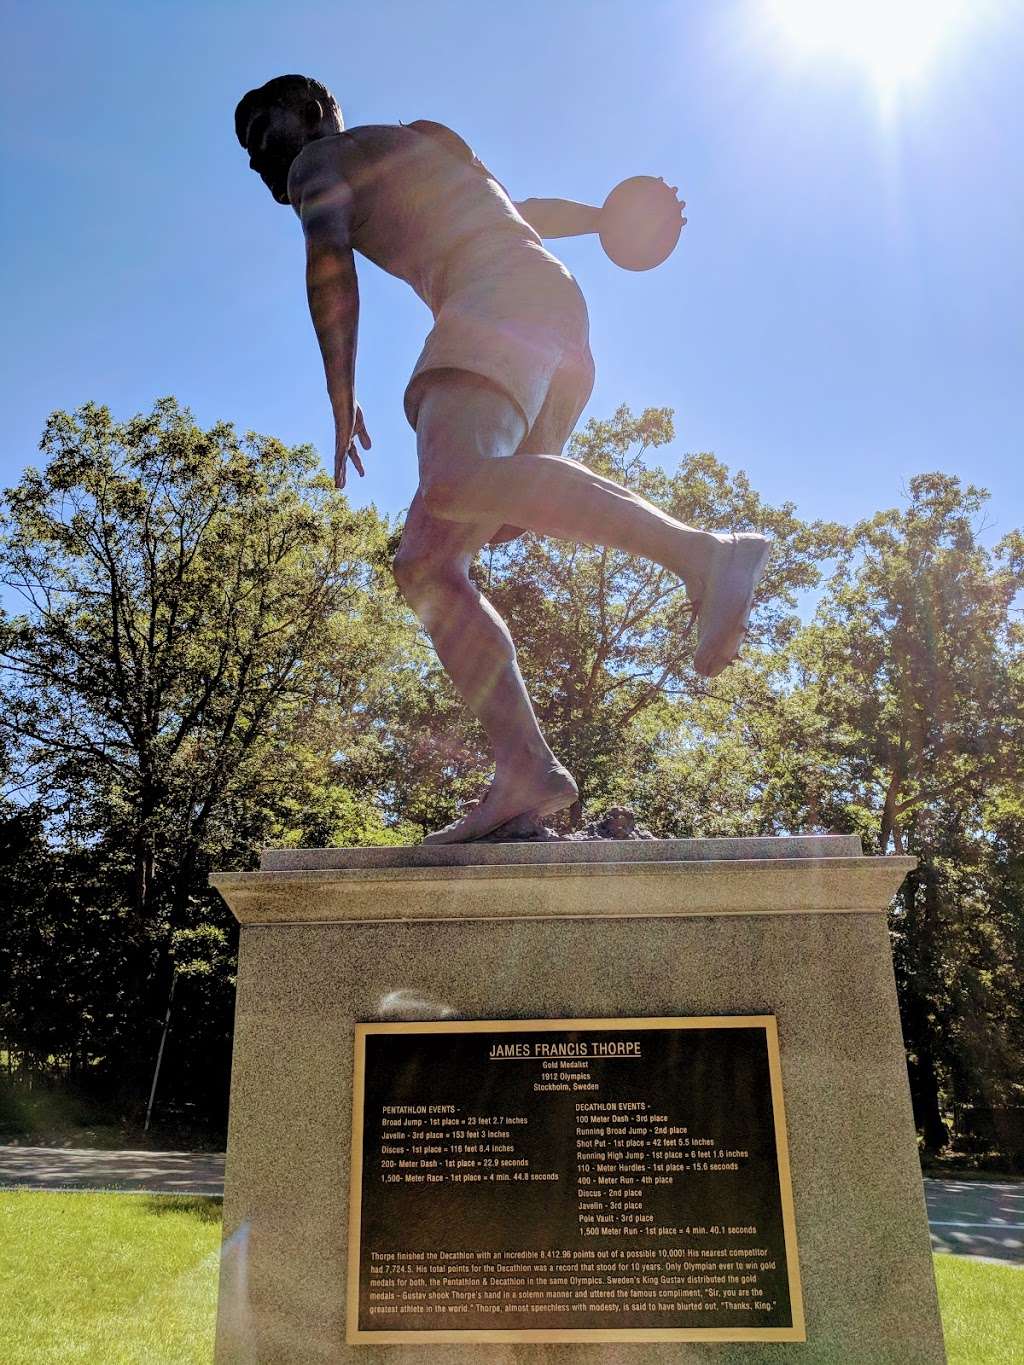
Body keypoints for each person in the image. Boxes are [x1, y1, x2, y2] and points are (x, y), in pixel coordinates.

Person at [234, 74, 770, 844]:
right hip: (554, 320)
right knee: (426, 559)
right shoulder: (423, 138)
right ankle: (525, 767)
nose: (257, 154)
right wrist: (607, 220)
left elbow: (330, 266)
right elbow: (521, 213)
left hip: (498, 302)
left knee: (453, 483)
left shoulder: (317, 163)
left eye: (263, 127)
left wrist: (340, 392)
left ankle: (705, 553)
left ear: (316, 113)